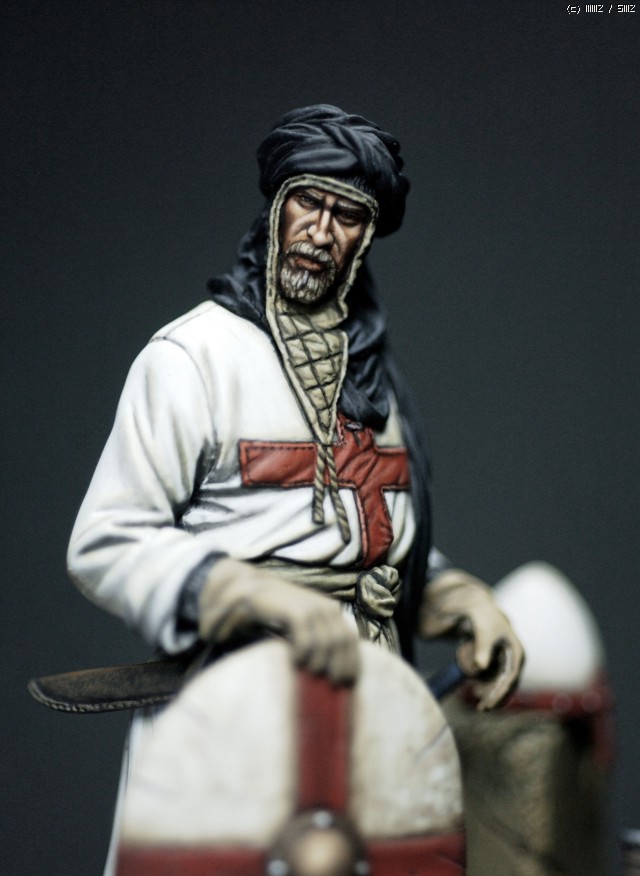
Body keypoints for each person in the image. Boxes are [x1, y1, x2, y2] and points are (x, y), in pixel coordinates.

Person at [68, 104, 523, 707]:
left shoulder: (371, 371)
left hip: (375, 700)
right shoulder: (195, 357)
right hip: (238, 703)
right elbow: (105, 540)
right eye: (308, 201)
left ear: (364, 237)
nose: (321, 232)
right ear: (277, 208)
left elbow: (369, 542)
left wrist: (460, 600)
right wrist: (251, 593)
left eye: (347, 215)